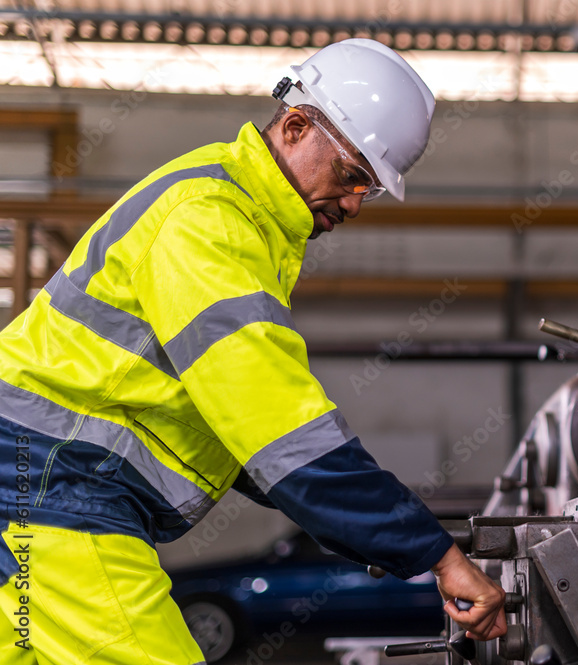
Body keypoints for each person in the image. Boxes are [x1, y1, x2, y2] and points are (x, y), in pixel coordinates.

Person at [0, 38, 505, 664]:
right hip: (56, 492)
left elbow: (252, 445)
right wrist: (436, 554)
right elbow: (277, 429)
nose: (354, 204)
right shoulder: (209, 223)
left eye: (369, 189)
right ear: (295, 127)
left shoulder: (240, 222)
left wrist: (376, 530)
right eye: (352, 176)